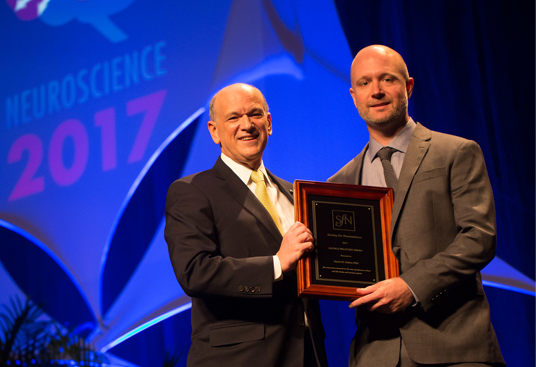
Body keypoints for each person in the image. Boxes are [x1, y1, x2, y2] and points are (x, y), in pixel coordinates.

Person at [328, 45, 505, 367]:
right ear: (353, 95)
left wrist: (412, 285)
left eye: (387, 80)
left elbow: (479, 237)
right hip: (376, 352)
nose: (377, 91)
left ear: (408, 86)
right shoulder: (339, 184)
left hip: (455, 345)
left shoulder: (455, 152)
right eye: (365, 83)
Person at [165, 83, 328, 366]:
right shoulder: (192, 190)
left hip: (307, 355)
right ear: (214, 131)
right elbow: (195, 271)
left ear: (269, 123)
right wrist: (276, 264)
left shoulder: (295, 194)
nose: (247, 125)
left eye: (255, 114)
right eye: (233, 117)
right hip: (238, 358)